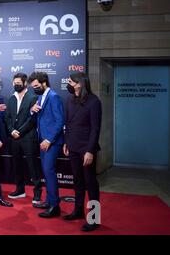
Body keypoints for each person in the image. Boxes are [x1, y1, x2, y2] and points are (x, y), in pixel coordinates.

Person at [63, 72, 102, 232]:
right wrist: (66, 142)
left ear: (80, 83)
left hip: (86, 149)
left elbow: (95, 128)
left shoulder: (94, 102)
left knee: (90, 183)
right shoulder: (70, 100)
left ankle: (94, 218)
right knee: (77, 181)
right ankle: (78, 211)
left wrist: (90, 150)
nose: (69, 84)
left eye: (71, 81)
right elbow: (68, 124)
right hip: (72, 147)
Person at [29, 71, 64, 218]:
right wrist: (32, 110)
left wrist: (49, 139)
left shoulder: (54, 97)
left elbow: (59, 121)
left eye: (36, 86)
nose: (34, 88)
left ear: (44, 83)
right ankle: (49, 201)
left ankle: (55, 206)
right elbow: (41, 117)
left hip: (51, 142)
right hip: (42, 141)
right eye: (33, 87)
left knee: (49, 171)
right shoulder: (40, 96)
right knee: (46, 171)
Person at [5, 73, 42, 204]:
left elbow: (32, 119)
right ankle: (20, 190)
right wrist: (12, 131)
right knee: (17, 165)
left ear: (25, 83)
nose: (16, 85)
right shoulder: (10, 99)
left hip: (28, 137)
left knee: (33, 166)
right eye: (14, 82)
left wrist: (19, 131)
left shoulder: (33, 98)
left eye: (18, 83)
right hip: (14, 138)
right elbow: (8, 118)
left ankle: (37, 193)